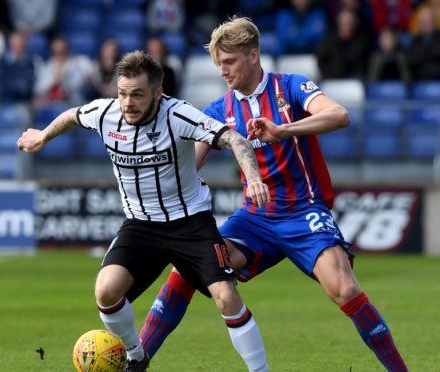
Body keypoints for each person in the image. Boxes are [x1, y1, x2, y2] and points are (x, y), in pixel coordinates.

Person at [139, 16, 409, 372]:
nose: (223, 71)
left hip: (304, 211)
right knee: (187, 268)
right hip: (254, 219)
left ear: (253, 55)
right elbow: (189, 168)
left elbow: (339, 115)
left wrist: (284, 130)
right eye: (218, 64)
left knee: (344, 290)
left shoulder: (291, 87)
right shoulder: (220, 111)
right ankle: (136, 360)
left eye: (229, 62)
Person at [17, 50, 270, 372]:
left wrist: (253, 178)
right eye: (122, 94)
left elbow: (234, 138)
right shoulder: (105, 113)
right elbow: (72, 115)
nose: (128, 102)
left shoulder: (178, 115)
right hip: (141, 226)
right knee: (106, 290)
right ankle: (136, 355)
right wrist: (43, 136)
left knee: (226, 297)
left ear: (157, 93)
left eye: (137, 95)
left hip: (190, 223)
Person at [33, 36, 93, 108]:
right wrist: (53, 81)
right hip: (52, 104)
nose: (60, 55)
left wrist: (64, 78)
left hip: (74, 104)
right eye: (56, 52)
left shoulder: (79, 63)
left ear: (67, 50)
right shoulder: (48, 66)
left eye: (62, 51)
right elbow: (39, 89)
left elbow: (78, 86)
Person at [317, 7, 373, 79]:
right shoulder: (328, 40)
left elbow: (365, 64)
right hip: (333, 80)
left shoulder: (363, 41)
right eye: (344, 23)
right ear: (338, 23)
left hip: (356, 80)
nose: (347, 26)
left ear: (356, 23)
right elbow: (322, 62)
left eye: (350, 23)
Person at [0, 31, 37, 103]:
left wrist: (13, 88)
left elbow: (28, 87)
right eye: (15, 46)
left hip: (23, 101)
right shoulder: (2, 62)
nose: (18, 50)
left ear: (25, 47)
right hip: (3, 101)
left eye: (20, 46)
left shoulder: (30, 63)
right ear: (10, 47)